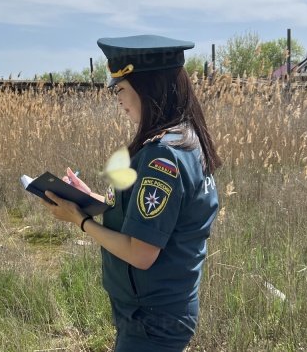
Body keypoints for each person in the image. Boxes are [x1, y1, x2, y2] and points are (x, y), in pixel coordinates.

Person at [41, 34, 221, 351]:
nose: (119, 100)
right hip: (156, 313)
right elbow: (146, 219)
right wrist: (88, 200)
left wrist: (81, 221)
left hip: (151, 321)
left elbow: (141, 252)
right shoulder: (185, 139)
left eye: (122, 89)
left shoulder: (162, 156)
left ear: (148, 88)